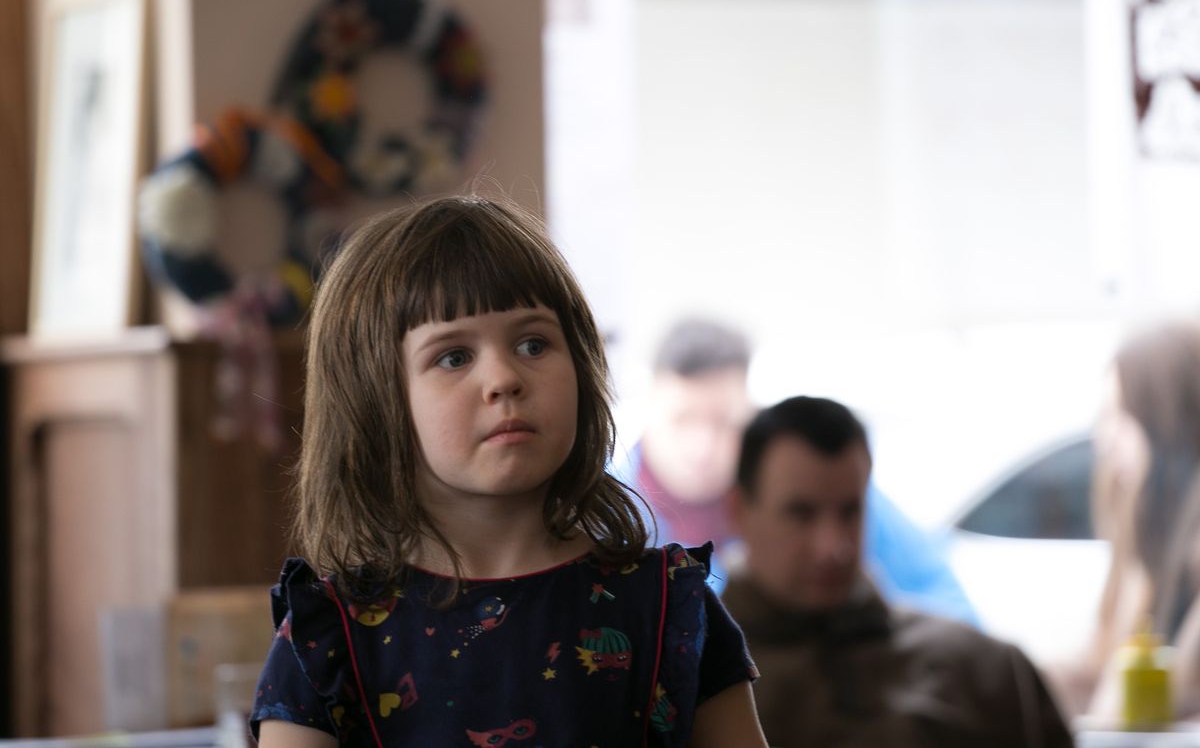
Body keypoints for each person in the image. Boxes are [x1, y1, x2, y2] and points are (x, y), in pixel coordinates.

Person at [251, 196, 767, 747]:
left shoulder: (672, 610)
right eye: (453, 356)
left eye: (533, 343)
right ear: (376, 402)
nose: (503, 378)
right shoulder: (327, 637)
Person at [722, 395, 1074, 747]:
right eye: (801, 514)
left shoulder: (982, 669)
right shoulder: (703, 682)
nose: (833, 547)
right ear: (740, 511)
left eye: (850, 511)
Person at [617, 318, 978, 626]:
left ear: (751, 413)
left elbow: (947, 603)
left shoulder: (828, 492)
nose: (702, 447)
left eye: (723, 422)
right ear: (649, 407)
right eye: (683, 420)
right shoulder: (603, 517)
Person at [1068, 320, 1200, 720]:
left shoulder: (1187, 556)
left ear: (1171, 422)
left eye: (1123, 415)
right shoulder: (1147, 544)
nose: (1104, 438)